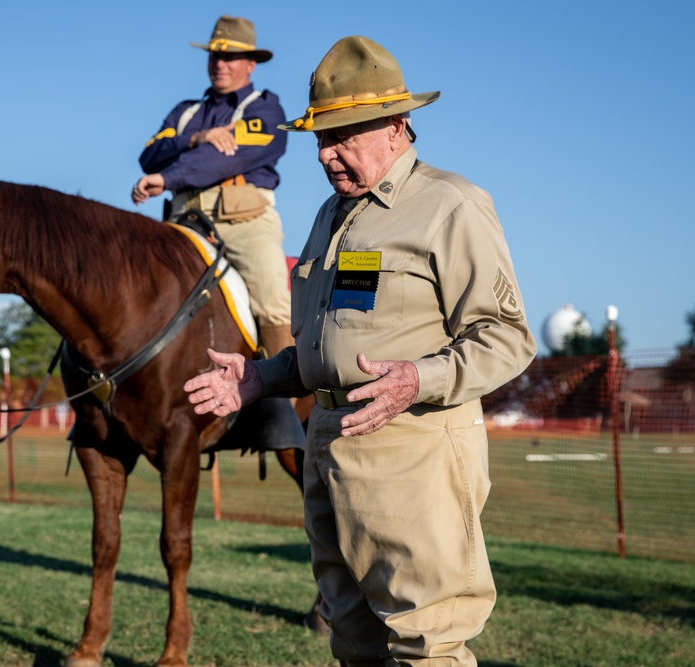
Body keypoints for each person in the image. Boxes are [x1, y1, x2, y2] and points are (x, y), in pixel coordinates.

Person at [184, 36, 537, 666]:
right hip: (327, 443)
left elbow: (508, 339)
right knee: (352, 636)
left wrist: (416, 379)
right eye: (321, 138)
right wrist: (259, 379)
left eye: (344, 136)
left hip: (412, 449)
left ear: (399, 126)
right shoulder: (329, 214)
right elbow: (327, 348)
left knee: (425, 642)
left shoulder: (449, 204)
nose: (327, 154)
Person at [131, 15, 293, 358]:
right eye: (214, 56)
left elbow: (224, 161)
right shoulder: (186, 112)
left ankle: (284, 403)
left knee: (272, 302)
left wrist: (167, 177)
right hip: (182, 220)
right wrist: (197, 137)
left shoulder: (265, 108)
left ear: (251, 64)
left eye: (230, 57)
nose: (220, 64)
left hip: (242, 220)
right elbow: (149, 155)